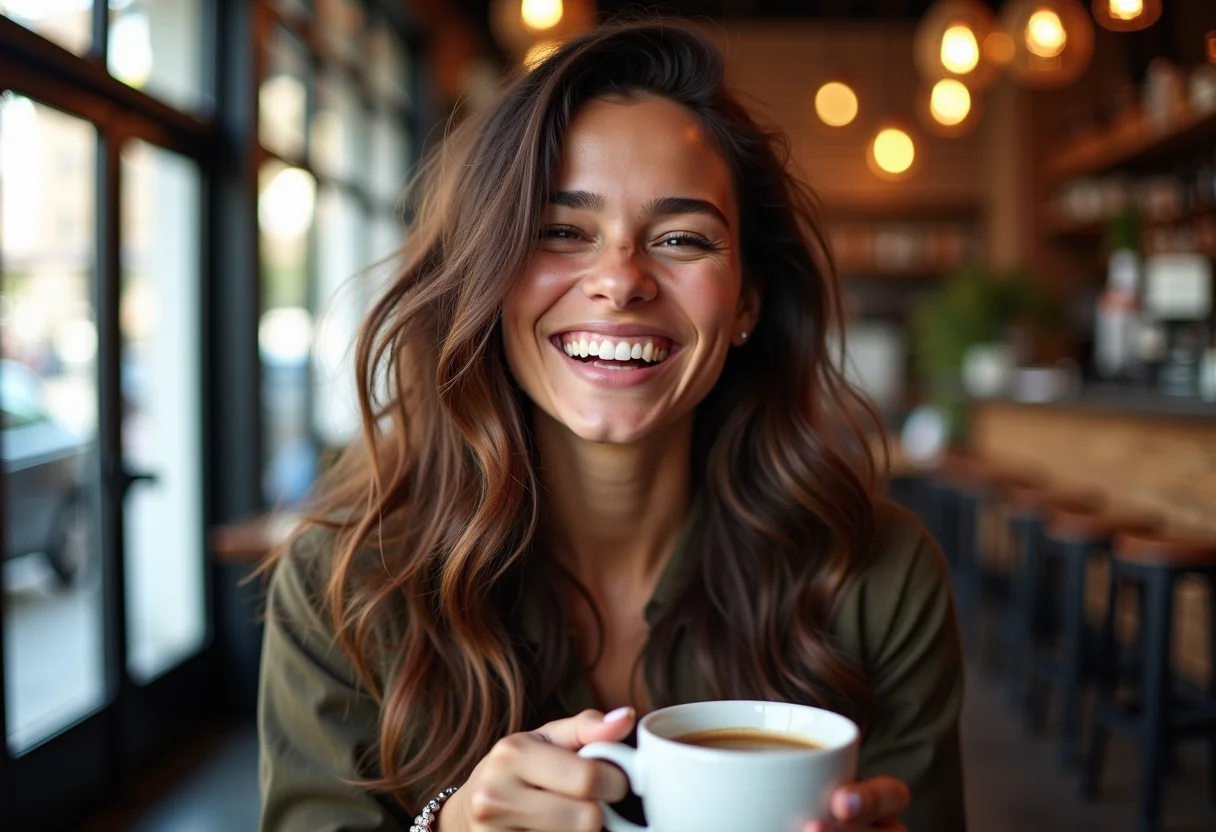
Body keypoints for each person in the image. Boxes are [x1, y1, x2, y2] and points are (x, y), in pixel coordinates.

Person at [257, 20, 965, 832]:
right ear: (486, 277)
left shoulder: (877, 575)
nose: (621, 281)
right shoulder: (346, 582)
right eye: (561, 232)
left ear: (746, 302)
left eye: (682, 239)